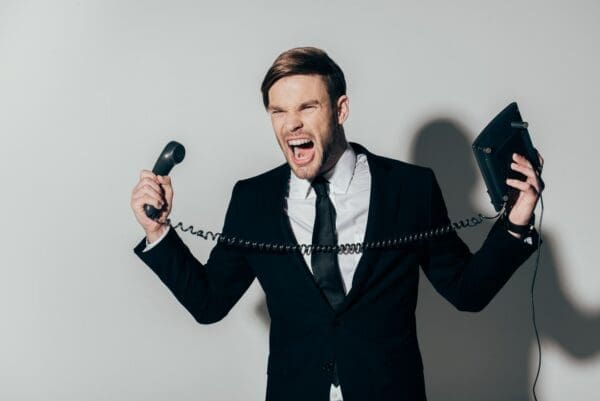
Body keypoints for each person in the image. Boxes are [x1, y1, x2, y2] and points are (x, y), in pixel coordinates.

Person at [130, 47, 544, 401]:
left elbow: (466, 291)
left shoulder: (409, 188)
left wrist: (516, 222)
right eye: (279, 111)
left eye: (307, 107)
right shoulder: (252, 200)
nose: (291, 124)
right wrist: (158, 232)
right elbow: (209, 303)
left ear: (340, 109)